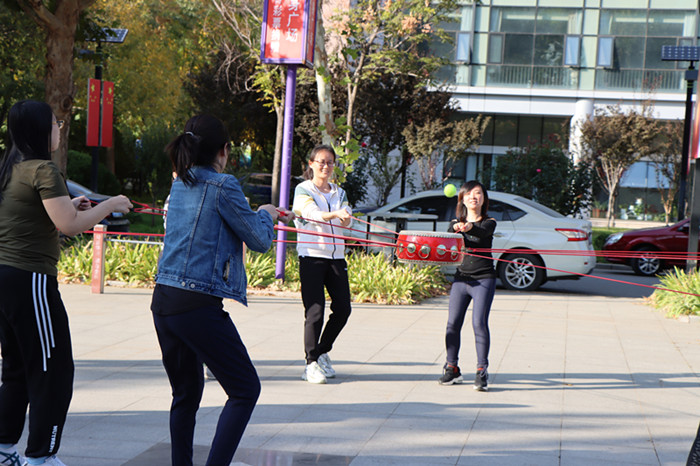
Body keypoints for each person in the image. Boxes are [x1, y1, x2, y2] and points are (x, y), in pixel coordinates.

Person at [151, 114, 293, 466]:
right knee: (245, 389)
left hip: (164, 300)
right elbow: (259, 239)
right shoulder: (223, 185)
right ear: (224, 150)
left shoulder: (179, 182)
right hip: (196, 304)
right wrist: (267, 213)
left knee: (185, 396)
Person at [0, 100, 132, 466]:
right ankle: (41, 457)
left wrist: (73, 204)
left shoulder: (11, 168)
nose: (59, 128)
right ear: (41, 130)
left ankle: (4, 449)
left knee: (17, 369)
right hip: (31, 280)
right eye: (56, 122)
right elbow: (70, 226)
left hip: (7, 277)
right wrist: (110, 204)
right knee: (53, 370)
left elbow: (39, 215)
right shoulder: (44, 169)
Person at [292, 145, 353, 384]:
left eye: (329, 162)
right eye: (321, 162)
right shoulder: (302, 189)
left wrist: (345, 218)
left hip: (336, 257)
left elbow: (347, 222)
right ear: (311, 164)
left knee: (343, 309)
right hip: (312, 256)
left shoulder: (339, 192)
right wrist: (336, 214)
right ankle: (310, 364)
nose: (325, 166)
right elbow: (311, 214)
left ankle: (321, 352)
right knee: (315, 310)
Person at [438, 180, 496, 391]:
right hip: (461, 279)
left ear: (483, 199)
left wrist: (469, 227)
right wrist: (455, 228)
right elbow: (447, 238)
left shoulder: (489, 222)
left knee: (479, 323)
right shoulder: (455, 223)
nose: (473, 197)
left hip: (484, 279)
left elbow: (482, 232)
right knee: (452, 324)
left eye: (478, 193)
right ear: (462, 199)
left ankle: (482, 371)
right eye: (469, 193)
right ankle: (452, 368)